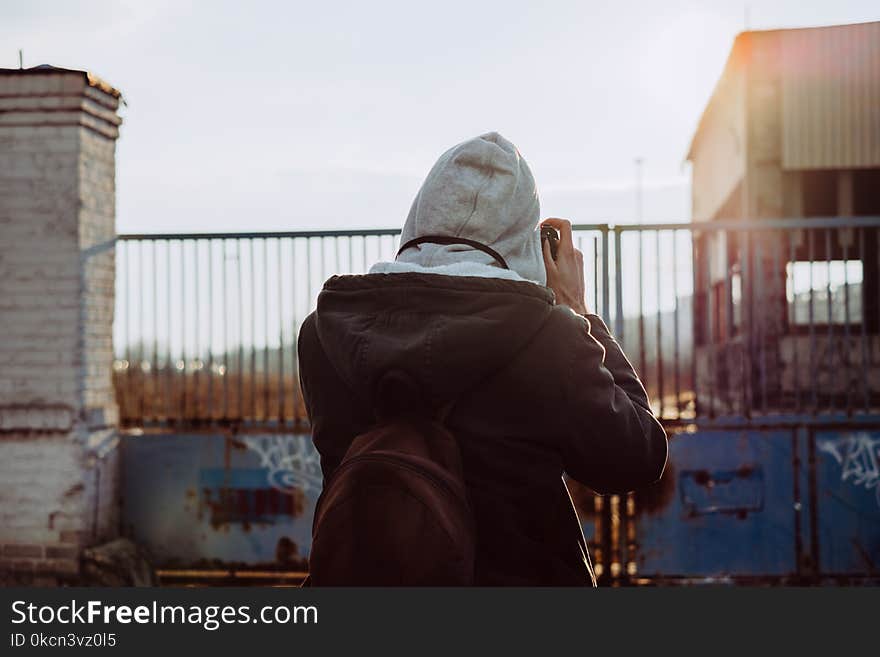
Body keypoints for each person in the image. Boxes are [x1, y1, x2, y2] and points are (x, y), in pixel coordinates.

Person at [297, 132, 667, 585]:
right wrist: (578, 310)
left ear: (418, 216)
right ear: (524, 238)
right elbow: (636, 457)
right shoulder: (545, 335)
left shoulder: (324, 332)